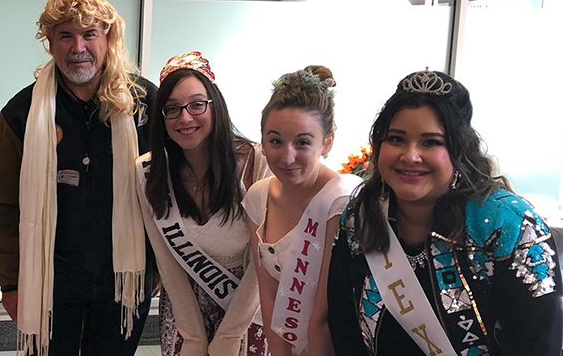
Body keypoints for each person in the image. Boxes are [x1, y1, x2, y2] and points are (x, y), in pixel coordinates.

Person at [327, 70, 563, 355]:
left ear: (459, 149)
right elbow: (344, 328)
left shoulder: (508, 225)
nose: (410, 155)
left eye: (431, 142)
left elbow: (536, 345)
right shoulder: (360, 215)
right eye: (396, 139)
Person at [0, 0, 158, 356]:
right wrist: (10, 284)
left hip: (124, 279)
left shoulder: (144, 104)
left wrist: (158, 267)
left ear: (107, 37)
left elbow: (170, 188)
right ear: (49, 42)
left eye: (89, 33)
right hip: (51, 279)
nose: (78, 48)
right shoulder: (22, 114)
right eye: (66, 36)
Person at [135, 51, 271, 356]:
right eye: (172, 109)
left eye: (197, 104)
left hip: (249, 306)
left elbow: (263, 256)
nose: (185, 118)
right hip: (184, 311)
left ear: (215, 105)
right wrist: (193, 336)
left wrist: (232, 333)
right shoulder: (148, 171)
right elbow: (167, 261)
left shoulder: (256, 161)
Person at [242, 66, 362, 356]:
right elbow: (268, 298)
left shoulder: (343, 200)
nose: (287, 156)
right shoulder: (259, 197)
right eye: (276, 141)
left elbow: (322, 318)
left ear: (327, 143)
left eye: (303, 142)